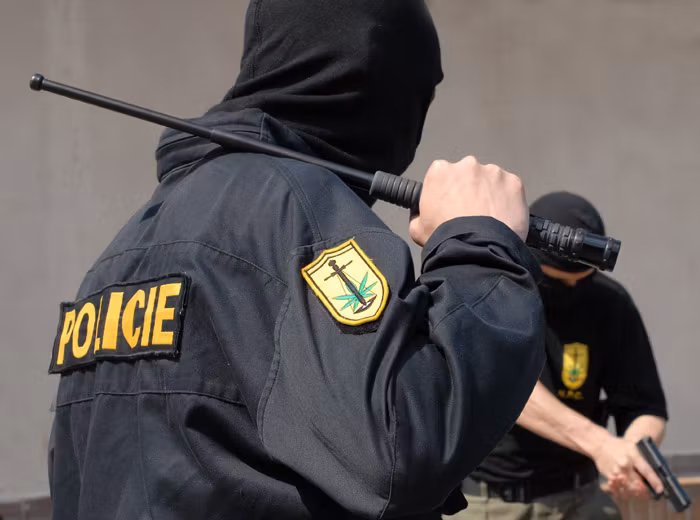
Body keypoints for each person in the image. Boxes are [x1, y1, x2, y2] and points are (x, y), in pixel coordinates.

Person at [46, 1, 547, 518]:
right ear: (371, 73)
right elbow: (410, 440)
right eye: (422, 89)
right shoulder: (298, 214)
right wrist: (479, 246)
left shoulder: (117, 259)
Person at [454, 191, 668, 520]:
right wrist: (601, 445)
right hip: (494, 503)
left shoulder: (610, 303)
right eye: (557, 283)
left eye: (582, 281)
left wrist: (635, 456)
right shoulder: (494, 293)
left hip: (583, 497)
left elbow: (645, 406)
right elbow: (510, 388)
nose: (572, 292)